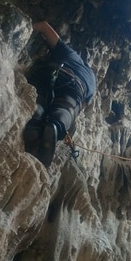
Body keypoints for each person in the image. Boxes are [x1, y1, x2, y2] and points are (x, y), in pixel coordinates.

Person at [22, 20, 97, 167]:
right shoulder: (91, 81)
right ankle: (55, 125)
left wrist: (25, 29)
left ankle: (37, 116)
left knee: (41, 97)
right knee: (65, 110)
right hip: (75, 88)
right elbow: (81, 106)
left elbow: (44, 26)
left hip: (50, 72)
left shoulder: (71, 54)